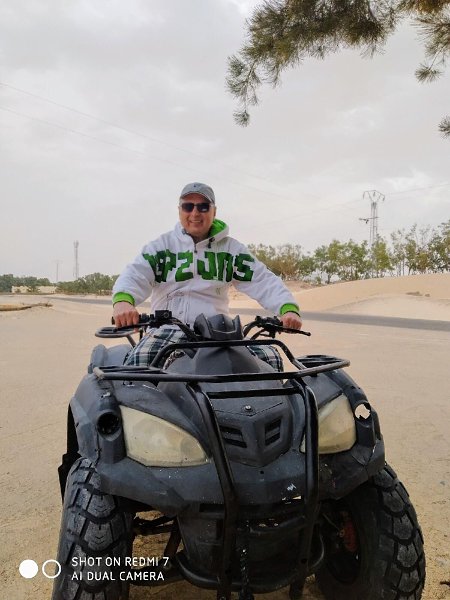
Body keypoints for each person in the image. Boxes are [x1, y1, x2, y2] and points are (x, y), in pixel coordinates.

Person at [112, 182, 302, 369]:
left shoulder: (231, 249)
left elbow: (262, 279)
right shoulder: (161, 247)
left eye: (203, 207)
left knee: (270, 359)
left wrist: (287, 309)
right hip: (167, 329)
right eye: (188, 206)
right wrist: (123, 302)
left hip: (218, 332)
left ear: (214, 211)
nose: (195, 213)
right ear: (179, 211)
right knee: (139, 364)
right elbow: (135, 274)